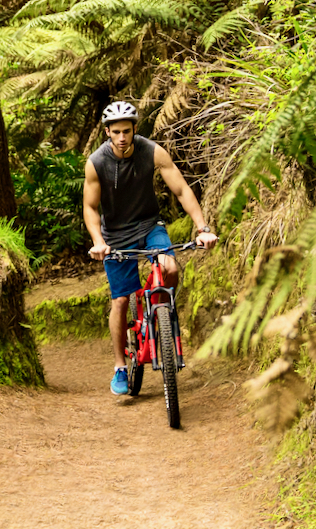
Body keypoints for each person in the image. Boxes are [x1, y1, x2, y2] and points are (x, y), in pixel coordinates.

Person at [82, 101, 220, 395]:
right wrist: (98, 241)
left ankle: (158, 314)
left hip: (150, 226)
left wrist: (202, 228)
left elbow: (181, 189)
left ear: (134, 130)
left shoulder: (152, 151)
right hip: (115, 236)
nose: (122, 137)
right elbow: (90, 207)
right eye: (116, 132)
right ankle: (120, 365)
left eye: (127, 131)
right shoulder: (96, 162)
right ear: (107, 132)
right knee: (120, 301)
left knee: (170, 268)